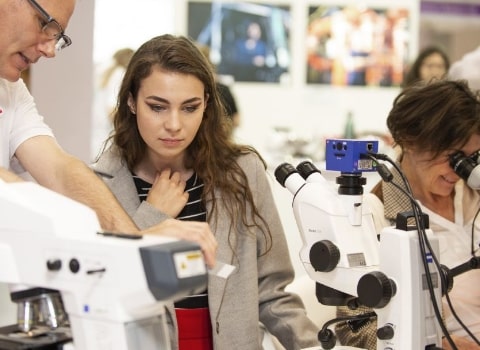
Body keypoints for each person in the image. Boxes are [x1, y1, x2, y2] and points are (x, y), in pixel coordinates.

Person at [92, 34, 320, 349]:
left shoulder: (243, 171)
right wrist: (152, 217)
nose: (174, 124)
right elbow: (98, 287)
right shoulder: (99, 182)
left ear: (207, 105)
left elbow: (271, 290)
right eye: (157, 107)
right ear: (131, 101)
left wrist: (314, 345)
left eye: (190, 108)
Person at [0, 0, 216, 267]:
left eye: (57, 36)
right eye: (45, 24)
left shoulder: (11, 90)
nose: (49, 49)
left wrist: (133, 241)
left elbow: (61, 169)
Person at [335, 79, 480, 350]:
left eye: (473, 157)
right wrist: (439, 345)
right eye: (454, 156)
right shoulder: (370, 214)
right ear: (411, 142)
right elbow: (354, 327)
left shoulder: (473, 198)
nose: (462, 170)